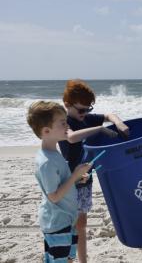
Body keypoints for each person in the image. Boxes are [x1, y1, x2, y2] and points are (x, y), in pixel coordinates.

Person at [58, 79, 130, 263]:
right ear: (67, 105)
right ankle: (67, 259)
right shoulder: (63, 122)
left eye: (88, 109)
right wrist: (99, 129)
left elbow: (109, 114)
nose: (85, 113)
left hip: (85, 179)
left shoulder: (86, 118)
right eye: (81, 110)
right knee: (69, 226)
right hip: (68, 181)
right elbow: (72, 138)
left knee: (81, 224)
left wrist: (119, 123)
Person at [27, 101, 92, 263]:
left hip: (68, 218)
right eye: (62, 123)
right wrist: (74, 174)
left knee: (68, 258)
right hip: (57, 222)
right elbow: (54, 197)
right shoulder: (46, 162)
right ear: (46, 131)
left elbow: (61, 184)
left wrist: (77, 179)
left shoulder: (54, 153)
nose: (67, 126)